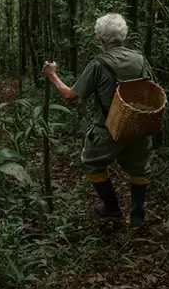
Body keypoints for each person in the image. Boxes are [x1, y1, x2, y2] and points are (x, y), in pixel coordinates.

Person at [42, 13, 154, 228]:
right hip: (139, 127)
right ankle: (138, 218)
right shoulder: (140, 59)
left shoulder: (99, 64)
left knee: (92, 164)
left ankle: (112, 208)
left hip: (109, 130)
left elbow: (70, 95)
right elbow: (151, 89)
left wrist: (52, 74)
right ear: (123, 36)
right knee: (140, 170)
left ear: (101, 38)